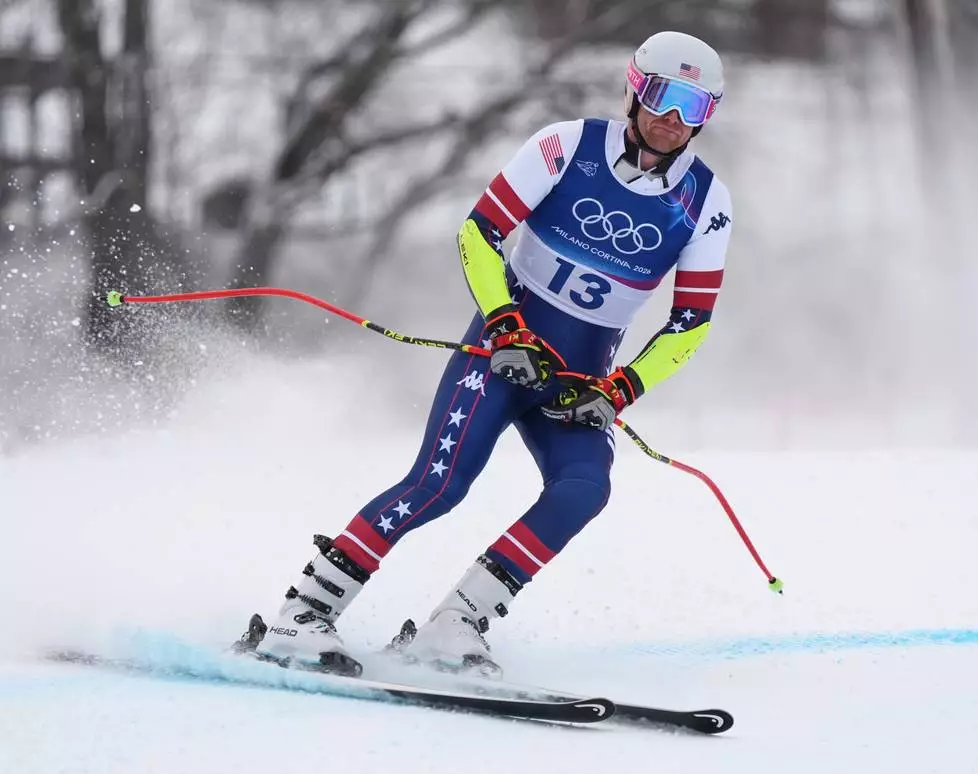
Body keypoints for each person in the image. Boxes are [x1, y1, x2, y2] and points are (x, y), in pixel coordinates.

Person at [245, 30, 735, 676]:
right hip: (503, 355)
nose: (672, 118)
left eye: (692, 107)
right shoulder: (566, 146)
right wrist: (505, 325)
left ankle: (455, 624)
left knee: (584, 489)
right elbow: (480, 233)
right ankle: (304, 611)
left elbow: (690, 322)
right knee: (440, 483)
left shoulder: (706, 203)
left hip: (577, 384)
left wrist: (621, 389)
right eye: (664, 97)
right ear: (636, 91)